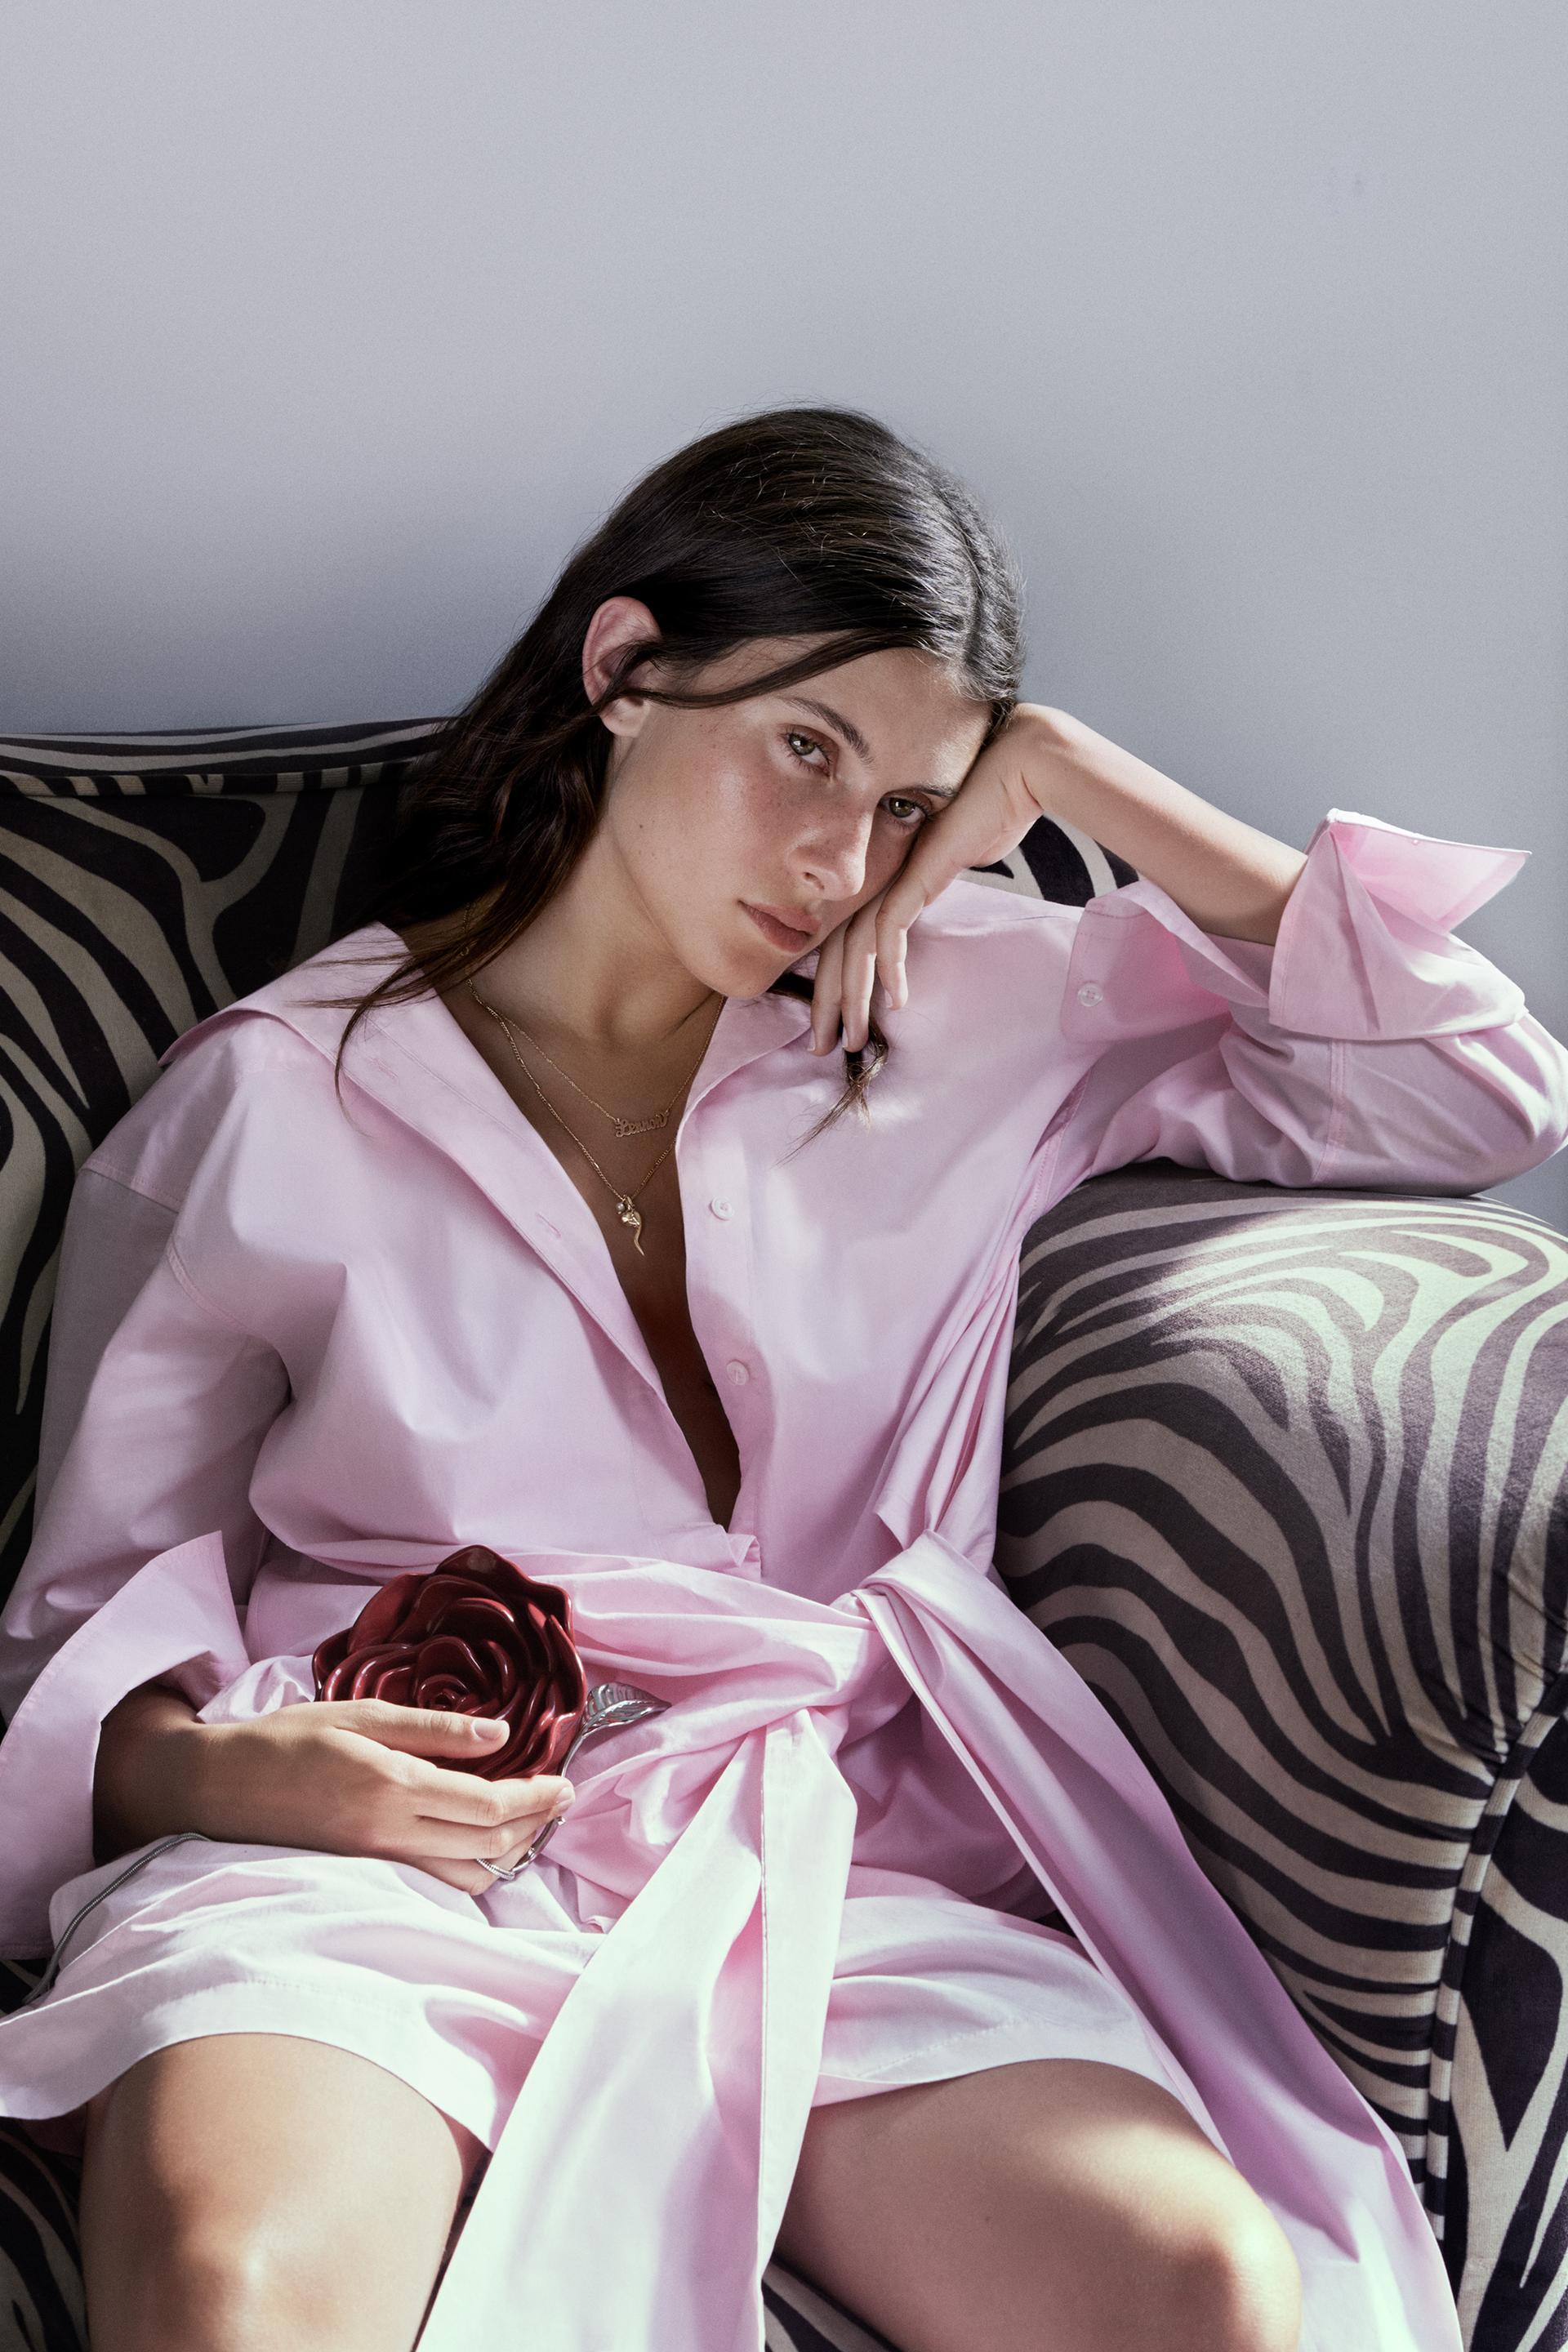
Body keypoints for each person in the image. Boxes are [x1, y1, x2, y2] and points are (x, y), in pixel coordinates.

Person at [0, 404, 1563, 2352]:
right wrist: (218, 1769)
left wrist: (1073, 778)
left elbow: (1476, 1088)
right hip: (375, 1858)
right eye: (806, 750)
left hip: (833, 1854)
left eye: (909, 803)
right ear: (625, 670)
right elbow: (77, 1617)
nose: (840, 860)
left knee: (1207, 2288)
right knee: (240, 2297)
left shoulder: (976, 1007)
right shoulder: (268, 1102)